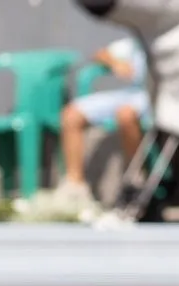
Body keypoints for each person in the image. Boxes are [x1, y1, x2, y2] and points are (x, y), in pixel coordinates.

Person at [56, 36, 150, 203]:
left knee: (126, 115)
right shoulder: (133, 42)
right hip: (130, 94)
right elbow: (100, 53)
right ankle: (75, 186)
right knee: (71, 114)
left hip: (156, 96)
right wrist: (116, 63)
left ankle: (134, 177)